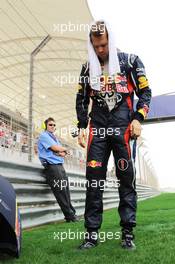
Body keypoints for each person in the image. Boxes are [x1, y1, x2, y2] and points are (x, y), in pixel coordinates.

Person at [76, 21, 151, 250]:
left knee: (126, 179)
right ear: (91, 44)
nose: (101, 50)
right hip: (97, 129)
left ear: (111, 40)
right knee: (94, 180)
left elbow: (145, 92)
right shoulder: (88, 68)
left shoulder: (130, 61)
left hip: (122, 127)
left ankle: (128, 233)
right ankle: (91, 235)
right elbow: (81, 98)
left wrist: (138, 117)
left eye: (104, 45)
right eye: (96, 45)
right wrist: (81, 125)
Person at [37, 117, 78, 222]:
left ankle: (72, 214)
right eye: (50, 124)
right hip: (52, 167)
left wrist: (61, 150)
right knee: (61, 192)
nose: (53, 126)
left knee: (66, 190)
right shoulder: (44, 135)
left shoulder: (54, 138)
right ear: (45, 126)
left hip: (59, 165)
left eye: (54, 125)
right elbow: (57, 149)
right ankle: (70, 216)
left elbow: (61, 153)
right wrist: (62, 150)